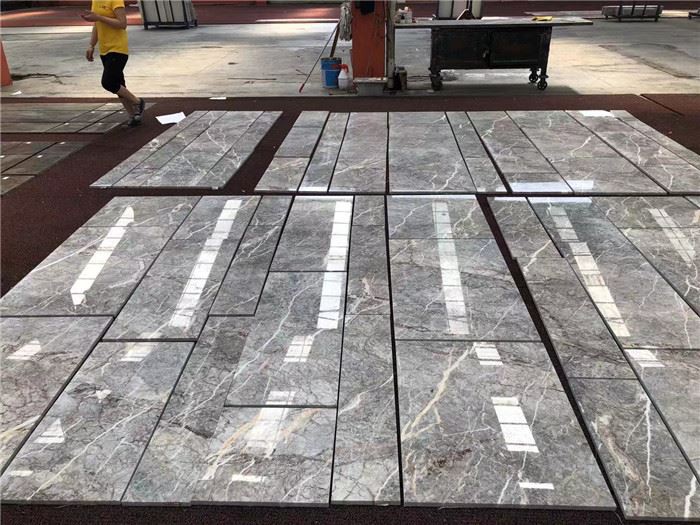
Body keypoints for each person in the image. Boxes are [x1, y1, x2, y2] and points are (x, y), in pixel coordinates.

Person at [82, 1, 145, 127]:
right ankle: (132, 116)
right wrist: (91, 45)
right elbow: (97, 25)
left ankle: (138, 102)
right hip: (104, 49)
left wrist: (99, 17)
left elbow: (122, 24)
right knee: (119, 83)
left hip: (118, 48)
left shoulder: (115, 1)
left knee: (108, 82)